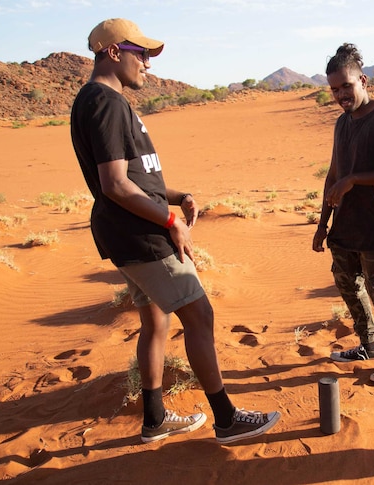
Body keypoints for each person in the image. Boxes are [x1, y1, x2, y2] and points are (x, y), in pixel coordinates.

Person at [70, 18, 280, 444]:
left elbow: (136, 177)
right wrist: (171, 221)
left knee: (155, 322)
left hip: (127, 233)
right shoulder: (105, 102)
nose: (147, 64)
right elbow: (114, 184)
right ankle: (227, 419)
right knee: (200, 315)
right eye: (141, 54)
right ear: (114, 52)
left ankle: (154, 419)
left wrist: (176, 195)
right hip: (142, 236)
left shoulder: (104, 100)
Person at [312, 43, 374, 385]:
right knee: (347, 284)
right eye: (334, 89)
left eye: (346, 86)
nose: (341, 94)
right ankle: (369, 346)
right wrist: (322, 224)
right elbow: (333, 174)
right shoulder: (342, 124)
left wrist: (354, 180)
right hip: (346, 223)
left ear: (363, 80)